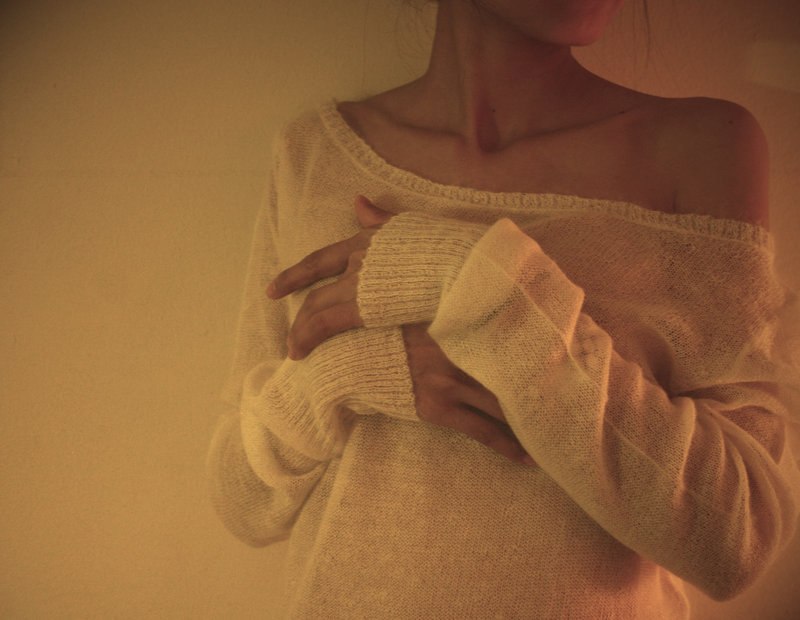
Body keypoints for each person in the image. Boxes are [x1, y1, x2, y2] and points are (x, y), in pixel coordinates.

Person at [207, 1, 800, 617]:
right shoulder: (315, 155)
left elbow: (737, 540)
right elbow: (242, 502)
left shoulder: (701, 150)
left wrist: (473, 278)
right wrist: (345, 375)